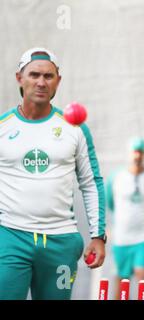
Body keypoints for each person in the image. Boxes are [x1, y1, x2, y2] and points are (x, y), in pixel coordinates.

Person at [0, 48, 106, 300]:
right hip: (10, 236)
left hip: (60, 241)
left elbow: (91, 183)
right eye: (34, 74)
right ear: (19, 78)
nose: (40, 82)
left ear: (58, 80)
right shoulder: (3, 127)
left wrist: (97, 236)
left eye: (48, 76)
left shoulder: (75, 128)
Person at [106, 137, 144, 300]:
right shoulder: (116, 177)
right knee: (121, 278)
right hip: (122, 237)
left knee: (143, 275)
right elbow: (111, 203)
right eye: (134, 152)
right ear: (129, 153)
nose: (137, 156)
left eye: (140, 152)